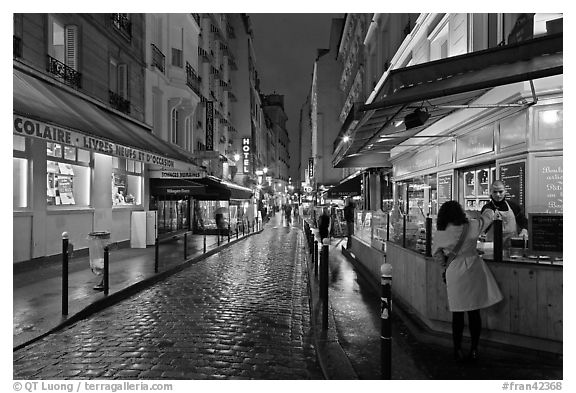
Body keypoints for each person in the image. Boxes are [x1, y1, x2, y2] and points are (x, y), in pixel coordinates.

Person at [433, 200, 503, 363]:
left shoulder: (442, 233)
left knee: (457, 313)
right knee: (474, 312)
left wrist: (444, 266)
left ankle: (457, 349)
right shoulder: (472, 225)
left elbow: (436, 253)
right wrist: (490, 208)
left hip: (454, 271)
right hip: (473, 268)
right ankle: (474, 349)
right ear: (460, 212)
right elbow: (487, 218)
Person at [480, 180, 528, 247]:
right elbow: (482, 226)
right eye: (495, 192)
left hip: (512, 247)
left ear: (505, 191)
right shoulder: (487, 208)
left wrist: (524, 230)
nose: (498, 195)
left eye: (500, 192)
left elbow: (524, 222)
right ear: (490, 192)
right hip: (492, 247)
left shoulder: (513, 206)